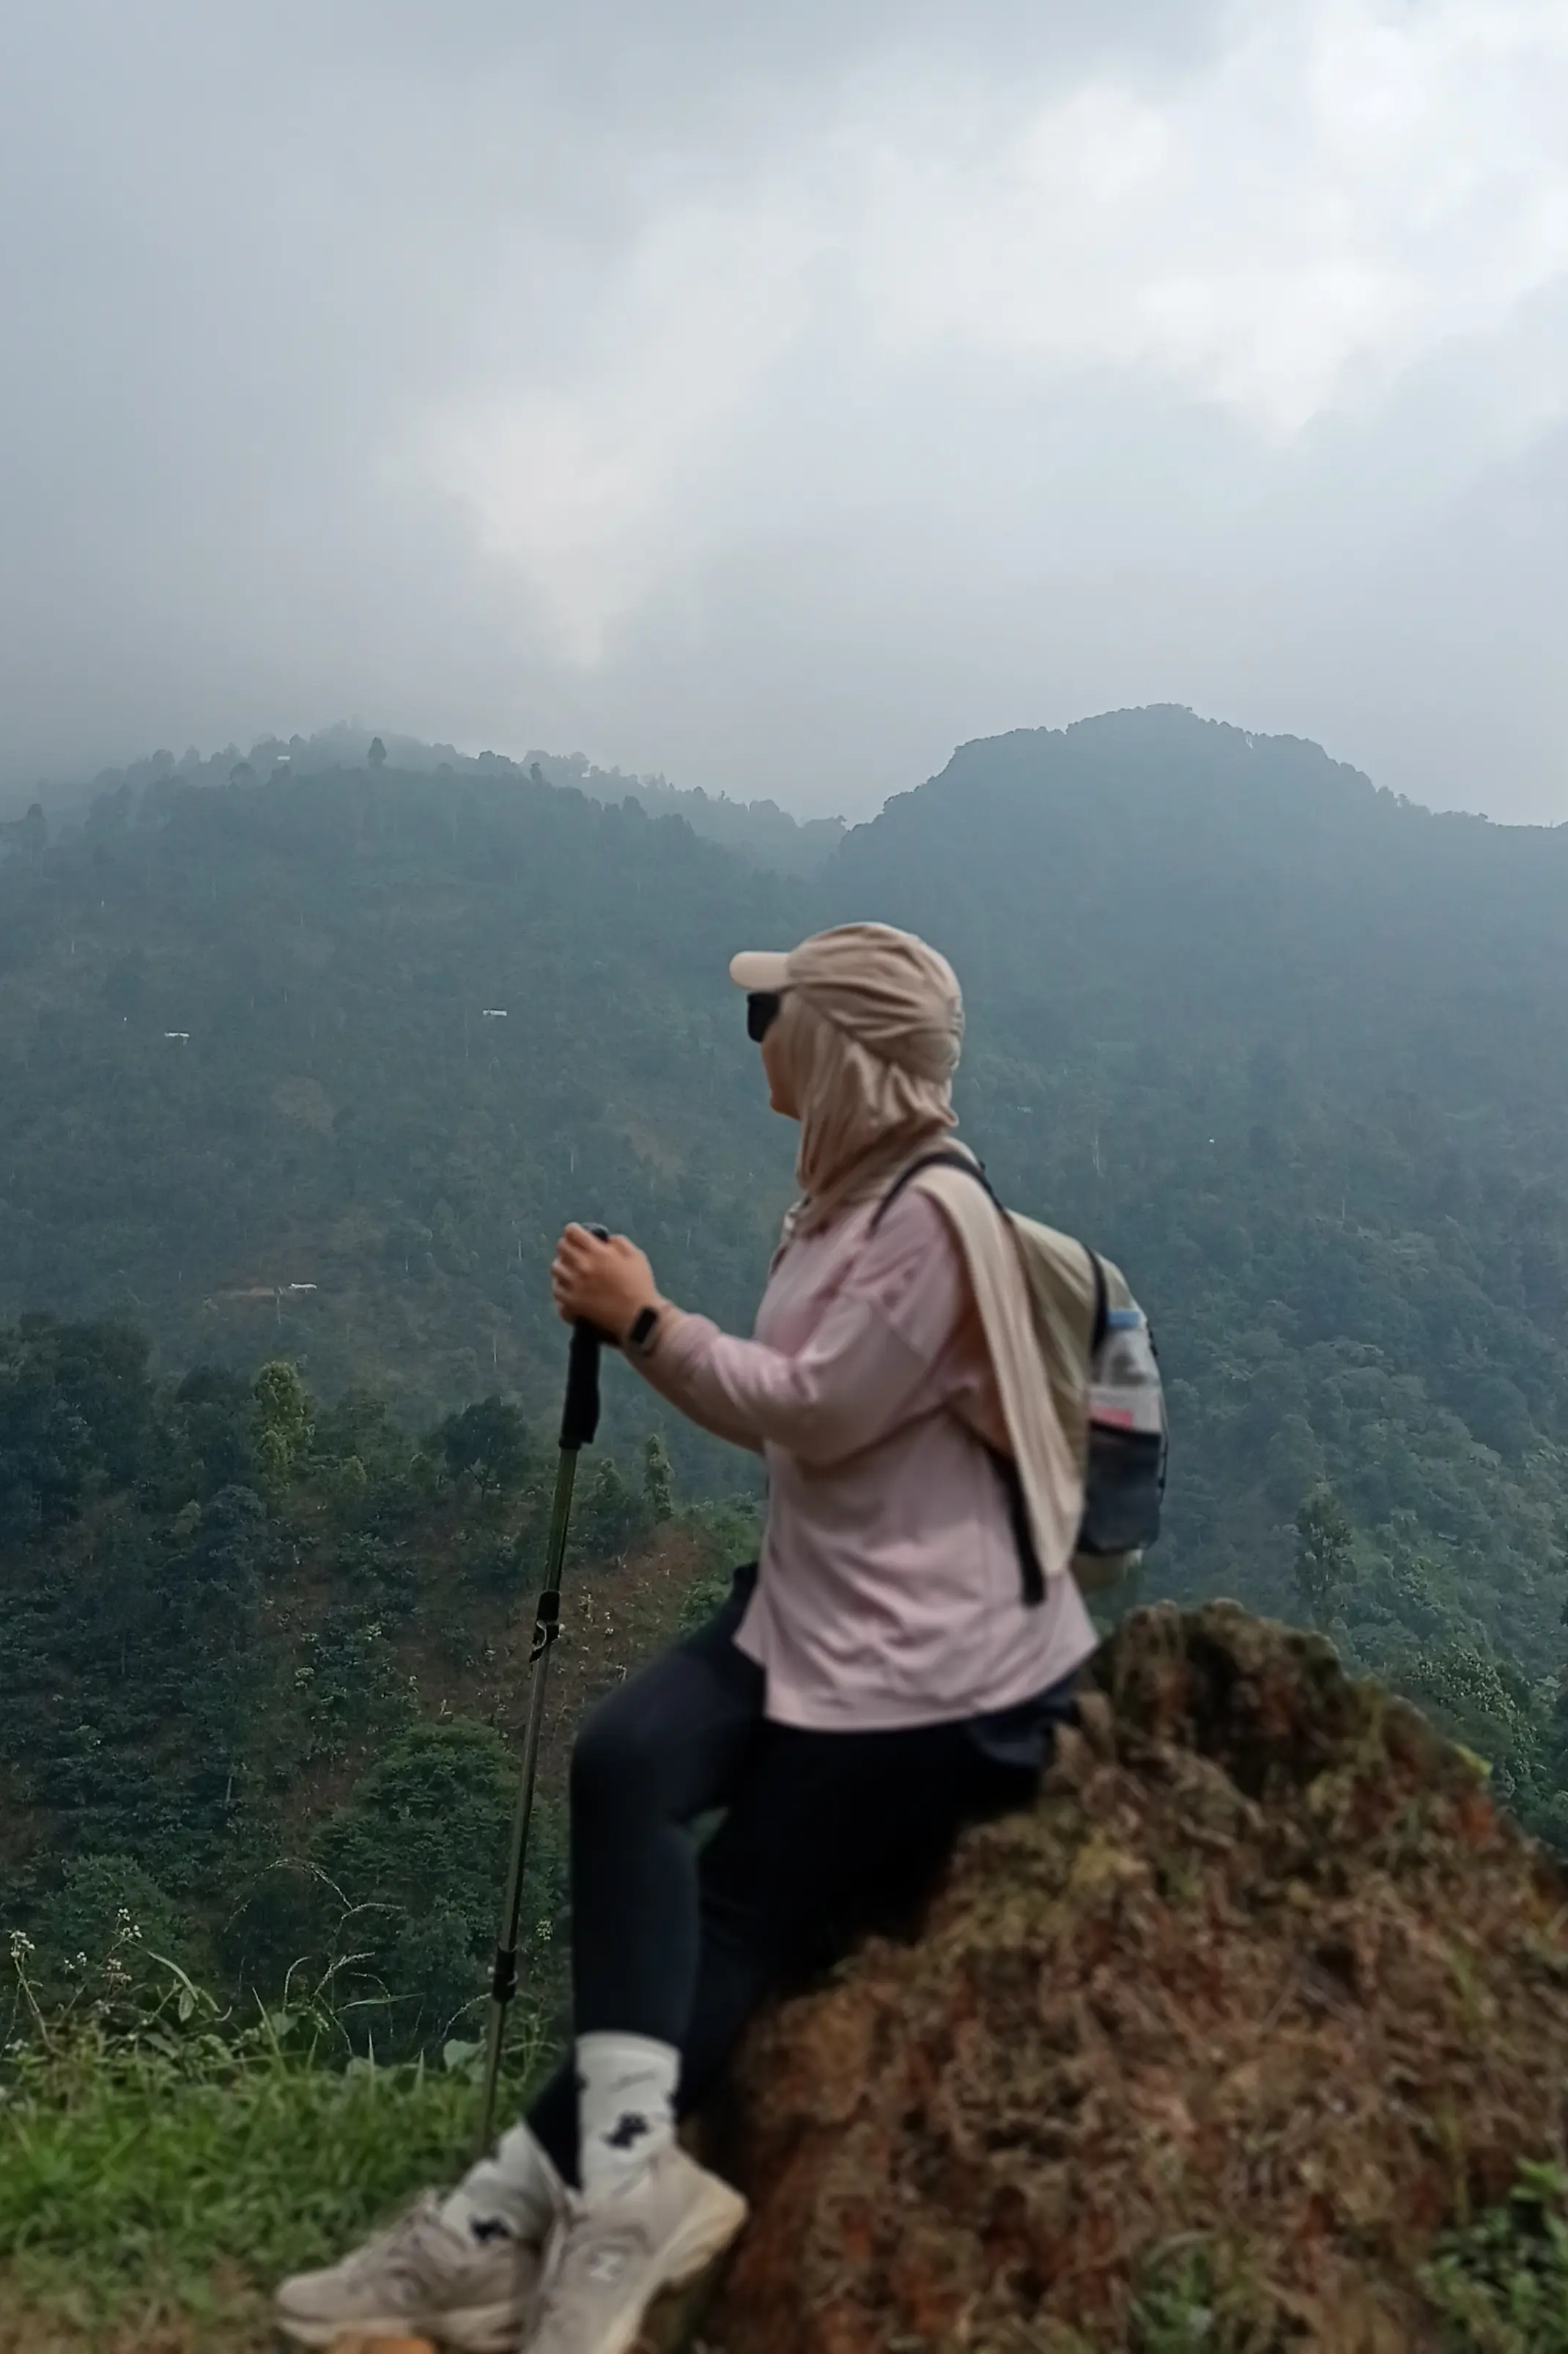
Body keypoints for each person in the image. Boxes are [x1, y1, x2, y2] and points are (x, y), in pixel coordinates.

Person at [275, 920, 1094, 2354]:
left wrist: (643, 1319)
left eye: (771, 1013)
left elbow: (818, 1404)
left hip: (934, 1677)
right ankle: (578, 2207)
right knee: (628, 1757)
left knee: (729, 1920)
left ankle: (533, 2238)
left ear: (840, 1048)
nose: (755, 1035)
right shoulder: (850, 1201)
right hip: (814, 1617)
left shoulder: (935, 1227)